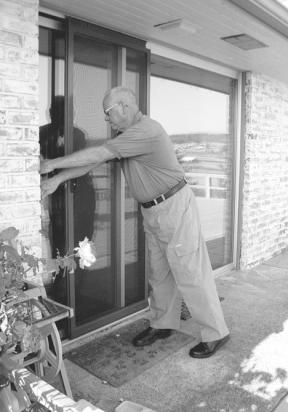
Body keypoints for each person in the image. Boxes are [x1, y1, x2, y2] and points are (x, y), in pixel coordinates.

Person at [40, 86, 230, 358]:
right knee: (159, 272)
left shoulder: (146, 130)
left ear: (124, 107)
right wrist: (58, 179)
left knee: (190, 272)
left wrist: (51, 164)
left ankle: (216, 332)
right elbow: (93, 162)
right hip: (153, 211)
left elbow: (98, 154)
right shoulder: (126, 136)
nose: (107, 119)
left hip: (174, 206)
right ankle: (163, 324)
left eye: (108, 112)